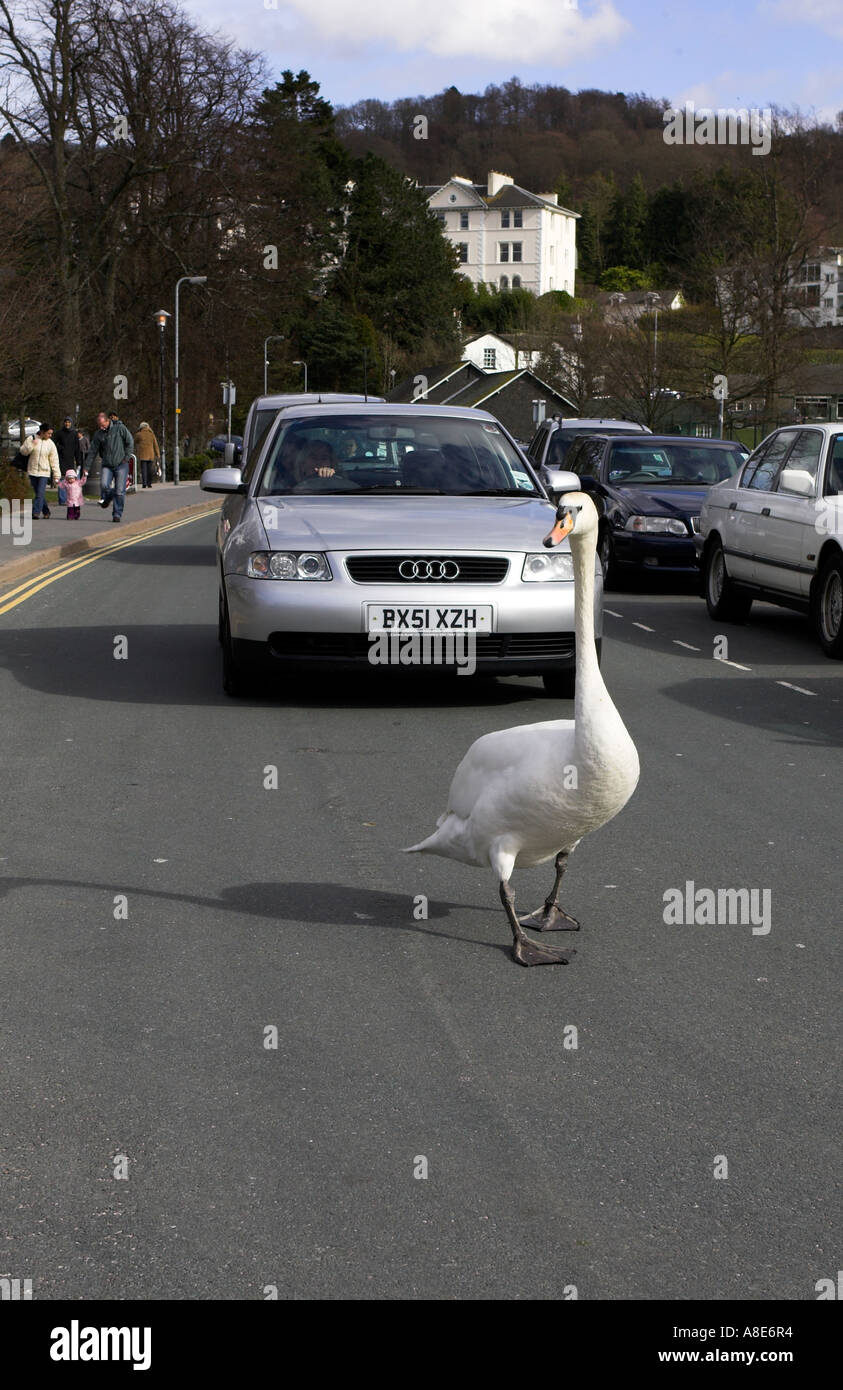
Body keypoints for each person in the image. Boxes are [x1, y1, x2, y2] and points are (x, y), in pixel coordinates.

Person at [85, 410, 134, 521]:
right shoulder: (98, 434)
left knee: (120, 491)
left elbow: (130, 442)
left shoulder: (120, 428)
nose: (101, 427)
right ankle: (108, 498)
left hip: (121, 464)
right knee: (104, 485)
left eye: (103, 425)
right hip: (107, 464)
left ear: (108, 421)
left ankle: (117, 514)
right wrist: (86, 468)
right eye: (99, 426)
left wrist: (126, 458)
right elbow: (92, 451)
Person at [21, 423, 60, 519]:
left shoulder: (51, 444)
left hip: (44, 472)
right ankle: (46, 511)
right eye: (48, 433)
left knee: (40, 493)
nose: (50, 436)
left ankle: (35, 512)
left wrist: (56, 474)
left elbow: (54, 460)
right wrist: (32, 445)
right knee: (39, 494)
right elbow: (23, 451)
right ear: (42, 432)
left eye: (51, 434)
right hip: (33, 471)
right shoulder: (32, 438)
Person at [134, 420, 161, 488]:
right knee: (150, 469)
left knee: (144, 469)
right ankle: (149, 483)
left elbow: (135, 441)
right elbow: (155, 444)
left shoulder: (139, 434)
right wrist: (158, 454)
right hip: (151, 454)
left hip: (143, 454)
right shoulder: (151, 434)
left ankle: (144, 483)